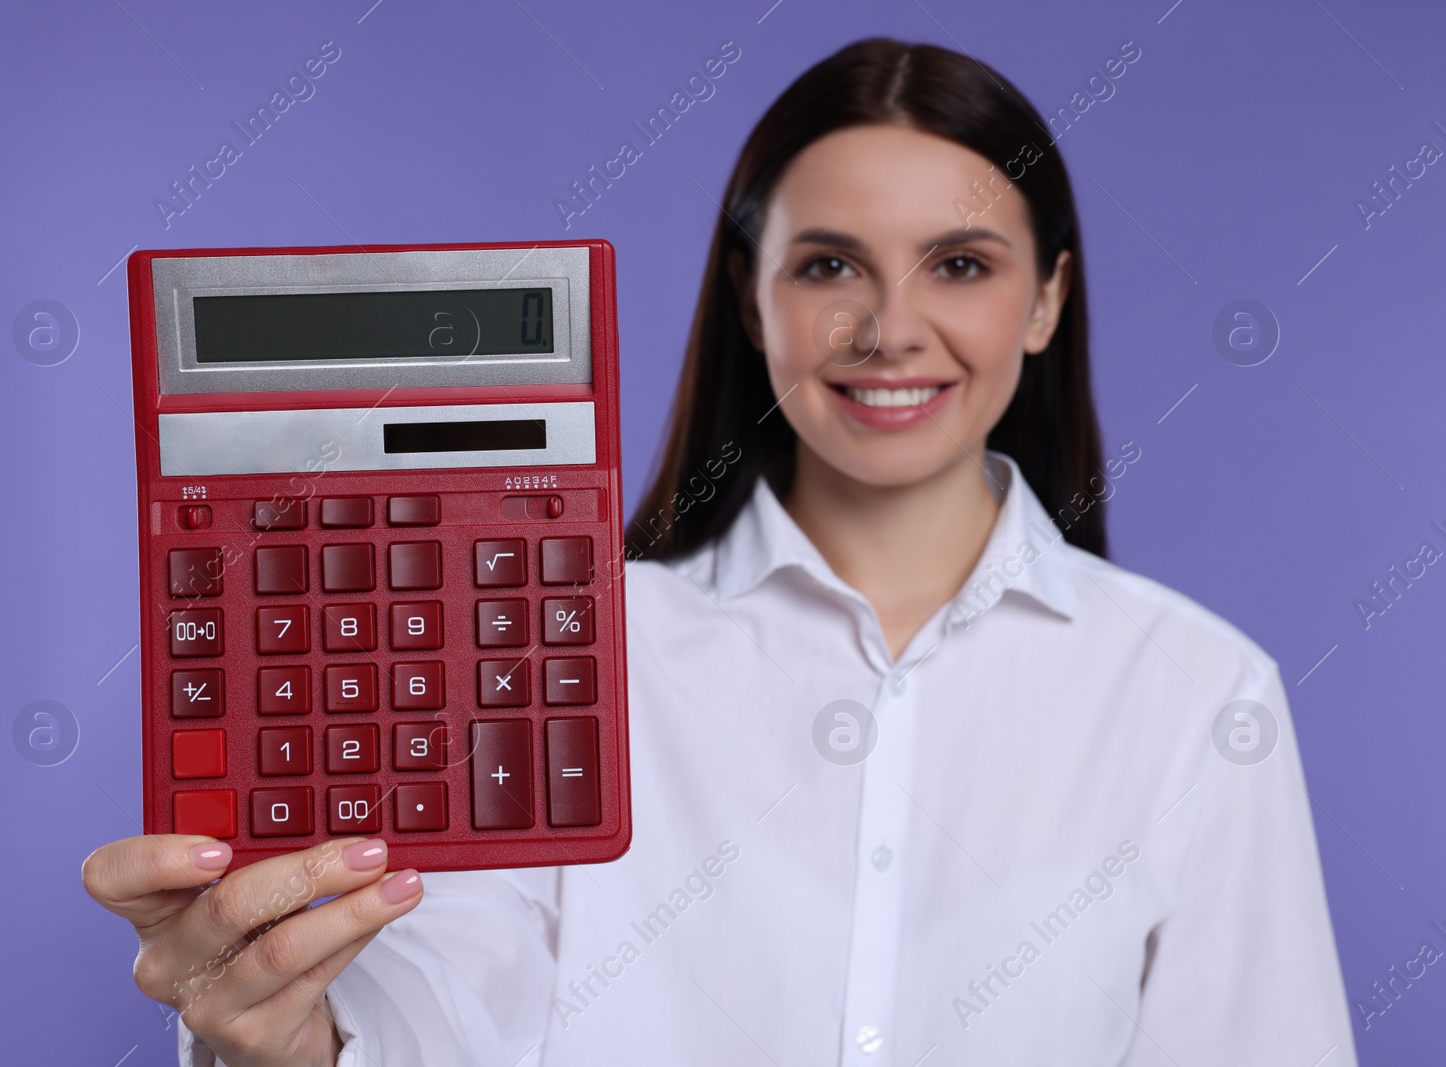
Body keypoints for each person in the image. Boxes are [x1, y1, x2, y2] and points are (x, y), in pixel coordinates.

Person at [83, 38, 1358, 1066]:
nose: (888, 327)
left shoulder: (1197, 694)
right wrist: (283, 1038)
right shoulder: (564, 636)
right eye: (828, 267)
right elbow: (427, 1031)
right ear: (753, 300)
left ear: (1044, 301)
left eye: (959, 264)